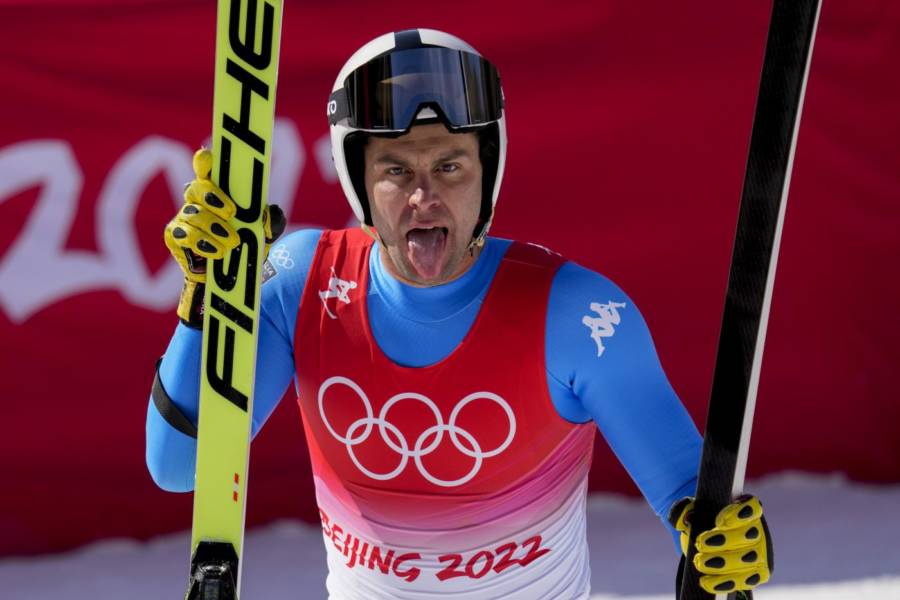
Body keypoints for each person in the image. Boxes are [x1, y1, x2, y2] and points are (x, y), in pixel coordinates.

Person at [147, 28, 773, 600]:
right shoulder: (300, 284)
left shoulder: (577, 316)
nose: (425, 196)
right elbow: (177, 466)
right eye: (396, 170)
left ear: (488, 171)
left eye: (450, 166)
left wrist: (720, 542)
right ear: (358, 181)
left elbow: (690, 497)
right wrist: (207, 300)